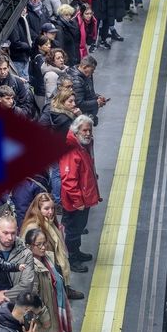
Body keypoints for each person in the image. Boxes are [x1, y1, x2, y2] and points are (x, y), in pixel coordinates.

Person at [21, 193, 84, 299]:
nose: (50, 212)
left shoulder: (47, 222)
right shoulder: (33, 227)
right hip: (43, 266)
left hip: (52, 261)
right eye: (46, 209)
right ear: (38, 209)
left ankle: (64, 289)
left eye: (52, 208)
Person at [60, 115, 101, 272]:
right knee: (73, 230)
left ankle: (76, 252)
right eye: (85, 130)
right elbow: (69, 181)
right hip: (76, 203)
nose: (88, 133)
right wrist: (78, 202)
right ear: (76, 132)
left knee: (78, 228)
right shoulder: (72, 151)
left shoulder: (83, 146)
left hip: (84, 199)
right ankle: (72, 258)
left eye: (89, 130)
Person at [26, 228, 72, 332]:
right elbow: (33, 297)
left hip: (52, 313)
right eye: (38, 244)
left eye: (44, 243)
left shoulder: (47, 258)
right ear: (29, 246)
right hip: (41, 321)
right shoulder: (31, 268)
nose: (43, 247)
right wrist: (45, 318)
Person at [0, 54, 37, 119]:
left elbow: (25, 105)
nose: (2, 72)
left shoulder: (17, 82)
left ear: (8, 68)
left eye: (5, 69)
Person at [67, 55, 107, 125]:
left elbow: (86, 92)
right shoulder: (77, 81)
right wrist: (97, 103)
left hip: (87, 115)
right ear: (84, 67)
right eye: (92, 70)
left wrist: (97, 97)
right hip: (82, 118)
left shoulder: (85, 76)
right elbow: (79, 103)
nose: (93, 72)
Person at [29, 36, 53, 107]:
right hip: (42, 92)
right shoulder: (39, 59)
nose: (49, 46)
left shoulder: (44, 56)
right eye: (46, 45)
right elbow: (43, 75)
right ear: (39, 46)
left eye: (49, 44)